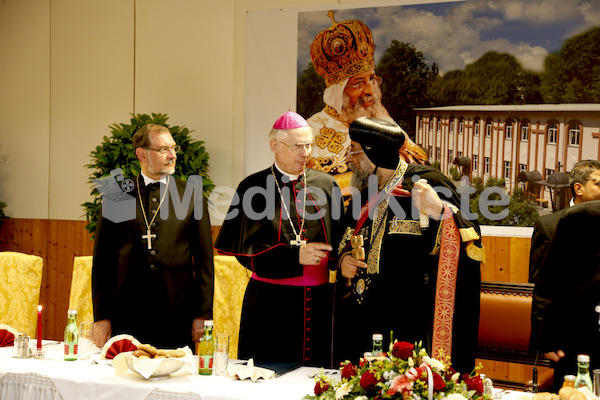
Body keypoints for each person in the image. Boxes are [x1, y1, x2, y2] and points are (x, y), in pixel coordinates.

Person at [333, 117, 483, 373]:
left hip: (408, 323)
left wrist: (438, 209)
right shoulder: (365, 192)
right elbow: (344, 242)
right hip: (361, 322)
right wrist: (343, 265)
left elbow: (469, 237)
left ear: (374, 152)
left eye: (354, 150)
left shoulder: (426, 183)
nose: (348, 158)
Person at [215, 111, 345, 368]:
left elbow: (342, 238)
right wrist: (293, 256)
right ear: (274, 146)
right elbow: (244, 252)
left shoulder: (327, 184)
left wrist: (344, 258)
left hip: (319, 302)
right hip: (270, 303)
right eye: (297, 145)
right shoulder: (252, 187)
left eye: (309, 145)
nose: (305, 152)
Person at [92, 123, 214, 349]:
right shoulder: (117, 195)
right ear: (142, 154)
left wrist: (202, 314)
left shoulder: (191, 194)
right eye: (164, 149)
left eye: (174, 149)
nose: (173, 155)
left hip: (177, 314)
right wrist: (102, 317)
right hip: (126, 314)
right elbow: (103, 261)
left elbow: (205, 261)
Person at [306, 10, 427, 189]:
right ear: (338, 92)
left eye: (372, 79)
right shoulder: (311, 131)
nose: (370, 90)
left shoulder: (381, 119)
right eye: (358, 83)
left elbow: (421, 167)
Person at [529, 160, 600, 390]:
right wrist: (545, 338)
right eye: (598, 183)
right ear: (579, 188)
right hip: (572, 335)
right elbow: (543, 285)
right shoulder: (549, 224)